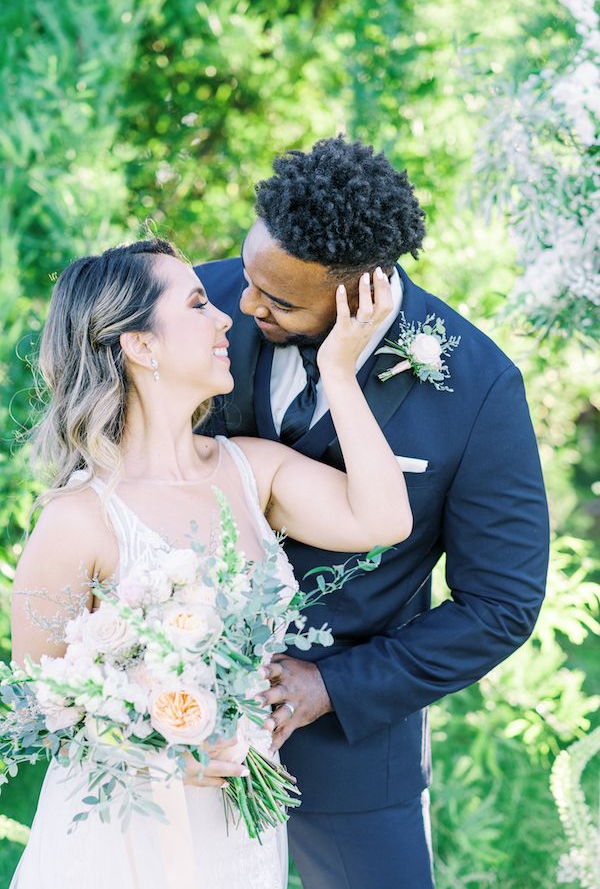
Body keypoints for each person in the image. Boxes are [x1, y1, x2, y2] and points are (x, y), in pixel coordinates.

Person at [195, 136, 550, 889]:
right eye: (249, 271)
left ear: (360, 289)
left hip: (354, 753)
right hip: (179, 715)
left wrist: (335, 686)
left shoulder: (477, 388)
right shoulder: (200, 308)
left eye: (280, 300)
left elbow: (501, 604)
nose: (245, 303)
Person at [9, 238, 413, 889]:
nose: (225, 316)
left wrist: (339, 371)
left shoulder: (252, 469)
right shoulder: (79, 518)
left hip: (240, 831)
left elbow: (385, 519)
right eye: (197, 303)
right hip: (124, 838)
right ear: (140, 345)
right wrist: (155, 737)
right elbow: (41, 701)